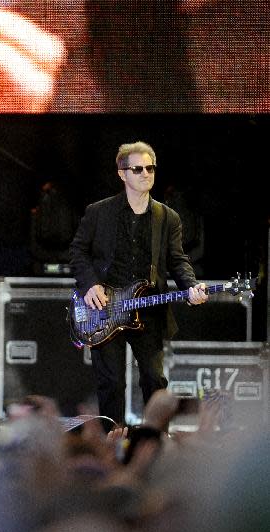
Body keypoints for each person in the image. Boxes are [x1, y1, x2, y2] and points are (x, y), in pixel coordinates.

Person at [69, 141, 208, 425]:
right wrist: (90, 285)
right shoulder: (99, 212)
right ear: (122, 174)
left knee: (155, 379)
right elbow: (77, 251)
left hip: (148, 308)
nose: (146, 173)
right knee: (111, 382)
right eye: (138, 169)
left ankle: (154, 441)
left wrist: (191, 286)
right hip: (105, 308)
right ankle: (112, 441)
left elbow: (178, 260)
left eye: (150, 168)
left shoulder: (167, 217)